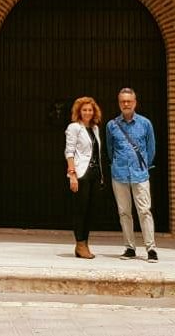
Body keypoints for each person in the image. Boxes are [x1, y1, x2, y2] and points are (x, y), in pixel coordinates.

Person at [106, 87, 157, 262]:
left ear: (135, 103)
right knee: (124, 213)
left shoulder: (145, 124)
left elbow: (151, 149)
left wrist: (144, 166)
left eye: (129, 101)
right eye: (123, 101)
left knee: (144, 211)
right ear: (119, 103)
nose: (126, 104)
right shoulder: (111, 125)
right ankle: (129, 248)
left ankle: (151, 249)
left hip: (140, 174)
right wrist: (116, 165)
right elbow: (110, 149)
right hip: (119, 174)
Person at [64, 96, 106, 259]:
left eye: (90, 110)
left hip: (96, 173)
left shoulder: (95, 128)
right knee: (80, 210)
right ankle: (80, 244)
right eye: (84, 110)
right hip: (81, 173)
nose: (87, 112)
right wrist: (72, 175)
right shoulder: (74, 127)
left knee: (90, 211)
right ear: (79, 112)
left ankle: (84, 244)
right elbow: (69, 151)